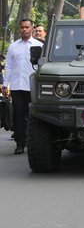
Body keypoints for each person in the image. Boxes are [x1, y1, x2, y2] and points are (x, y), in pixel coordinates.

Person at [2, 19, 44, 154]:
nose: (24, 30)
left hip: (33, 86)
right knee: (19, 114)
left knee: (33, 115)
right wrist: (5, 84)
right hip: (17, 86)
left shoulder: (39, 46)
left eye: (27, 27)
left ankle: (33, 141)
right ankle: (20, 143)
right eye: (22, 28)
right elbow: (8, 65)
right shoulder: (13, 46)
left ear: (32, 28)